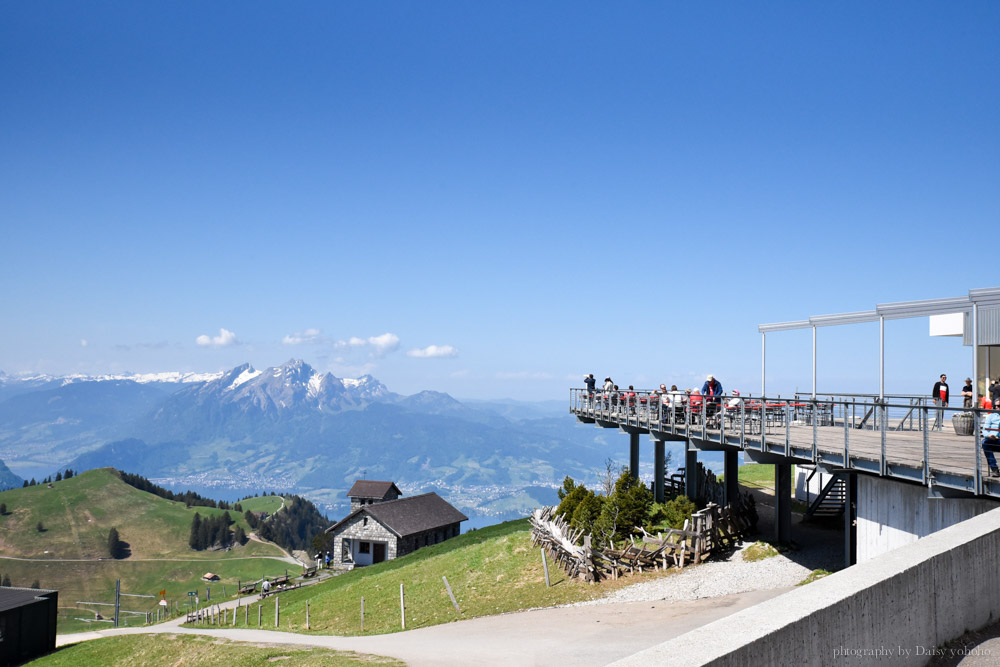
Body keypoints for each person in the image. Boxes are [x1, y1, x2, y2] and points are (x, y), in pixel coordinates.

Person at [981, 407, 1000, 477]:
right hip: (994, 440)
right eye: (996, 406)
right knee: (985, 443)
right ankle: (994, 469)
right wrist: (989, 435)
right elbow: (985, 430)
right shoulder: (991, 416)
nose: (997, 408)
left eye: (999, 406)